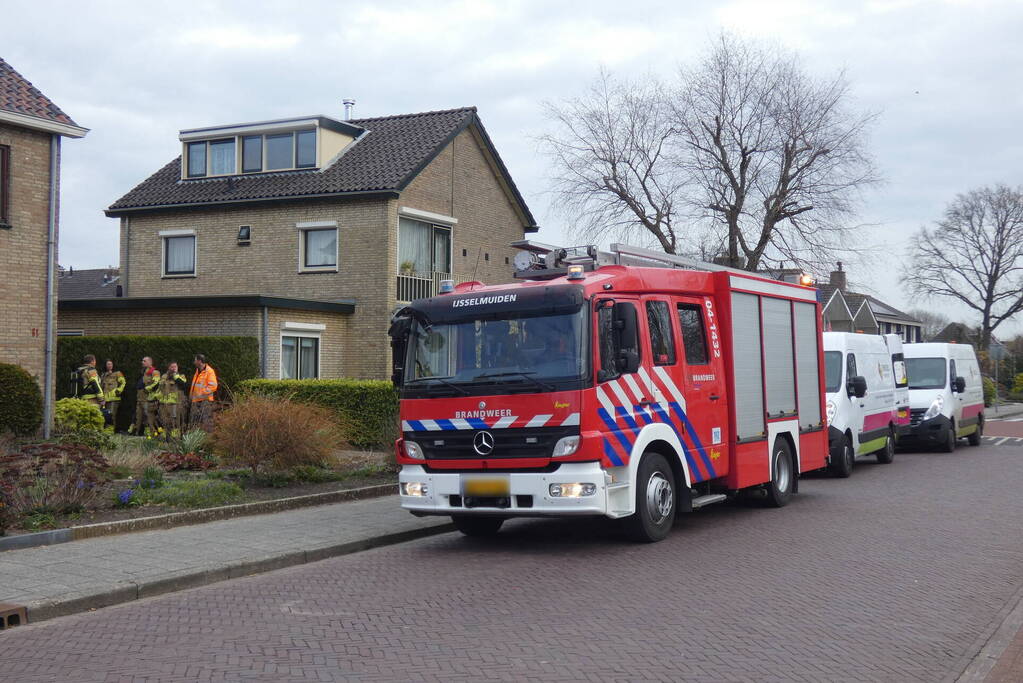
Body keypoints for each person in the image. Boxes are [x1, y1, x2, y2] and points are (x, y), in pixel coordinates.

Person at [130, 356, 161, 436]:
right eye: (142, 361)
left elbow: (157, 383)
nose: (142, 362)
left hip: (148, 398)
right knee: (138, 415)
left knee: (149, 416)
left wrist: (148, 388)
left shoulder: (154, 372)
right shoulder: (144, 372)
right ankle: (136, 432)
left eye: (144, 361)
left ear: (150, 362)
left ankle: (153, 433)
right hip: (140, 398)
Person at [157, 362, 189, 439]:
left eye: (175, 366)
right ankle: (166, 436)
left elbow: (184, 385)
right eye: (172, 367)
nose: (174, 368)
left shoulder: (181, 376)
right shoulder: (164, 376)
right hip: (164, 403)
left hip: (175, 402)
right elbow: (160, 388)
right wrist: (158, 398)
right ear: (169, 368)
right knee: (164, 419)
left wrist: (175, 375)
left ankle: (175, 437)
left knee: (175, 419)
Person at [189, 354, 219, 432]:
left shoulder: (209, 371)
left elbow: (213, 386)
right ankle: (195, 440)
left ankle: (209, 439)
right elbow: (195, 385)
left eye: (195, 360)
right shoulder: (198, 371)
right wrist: (191, 395)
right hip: (196, 401)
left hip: (205, 401)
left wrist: (201, 393)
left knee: (207, 421)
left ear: (199, 361)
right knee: (194, 422)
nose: (194, 362)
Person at [100, 359, 126, 430]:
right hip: (104, 399)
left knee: (111, 415)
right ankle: (105, 429)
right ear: (105, 365)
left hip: (114, 398)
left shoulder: (118, 373)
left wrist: (119, 390)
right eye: (108, 364)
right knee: (104, 415)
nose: (110, 365)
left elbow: (123, 382)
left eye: (111, 364)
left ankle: (110, 431)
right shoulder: (103, 375)